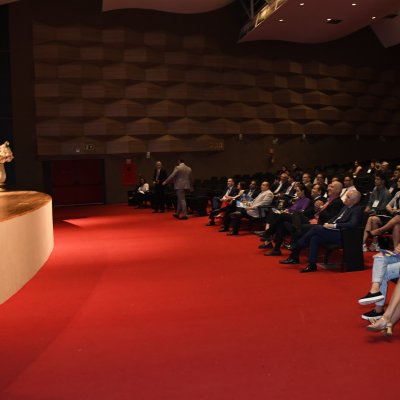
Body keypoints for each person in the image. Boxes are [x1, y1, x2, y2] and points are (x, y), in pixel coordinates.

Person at [279, 189, 362, 272]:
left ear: (354, 201)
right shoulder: (345, 207)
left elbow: (352, 224)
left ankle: (297, 246)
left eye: (348, 197)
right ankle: (312, 265)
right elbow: (335, 218)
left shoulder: (357, 209)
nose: (345, 198)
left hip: (342, 234)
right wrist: (327, 223)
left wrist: (334, 225)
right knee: (315, 238)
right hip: (333, 231)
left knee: (315, 228)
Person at [362, 172, 392, 252]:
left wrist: (370, 212)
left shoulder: (387, 193)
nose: (375, 180)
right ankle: (373, 244)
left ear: (383, 181)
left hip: (384, 216)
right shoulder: (374, 189)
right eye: (375, 179)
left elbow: (382, 208)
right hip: (374, 214)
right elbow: (370, 203)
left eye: (377, 179)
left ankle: (363, 242)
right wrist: (364, 212)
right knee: (370, 218)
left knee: (372, 218)